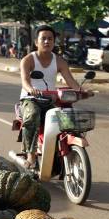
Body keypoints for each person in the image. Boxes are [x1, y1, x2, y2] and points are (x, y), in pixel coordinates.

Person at [19, 24, 93, 169]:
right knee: (33, 115)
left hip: (50, 99)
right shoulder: (28, 60)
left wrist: (83, 91)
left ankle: (61, 151)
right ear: (36, 42)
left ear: (54, 42)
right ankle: (30, 154)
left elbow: (71, 81)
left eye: (50, 39)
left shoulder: (59, 61)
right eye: (43, 39)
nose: (47, 42)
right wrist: (32, 90)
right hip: (30, 99)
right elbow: (25, 82)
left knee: (66, 120)